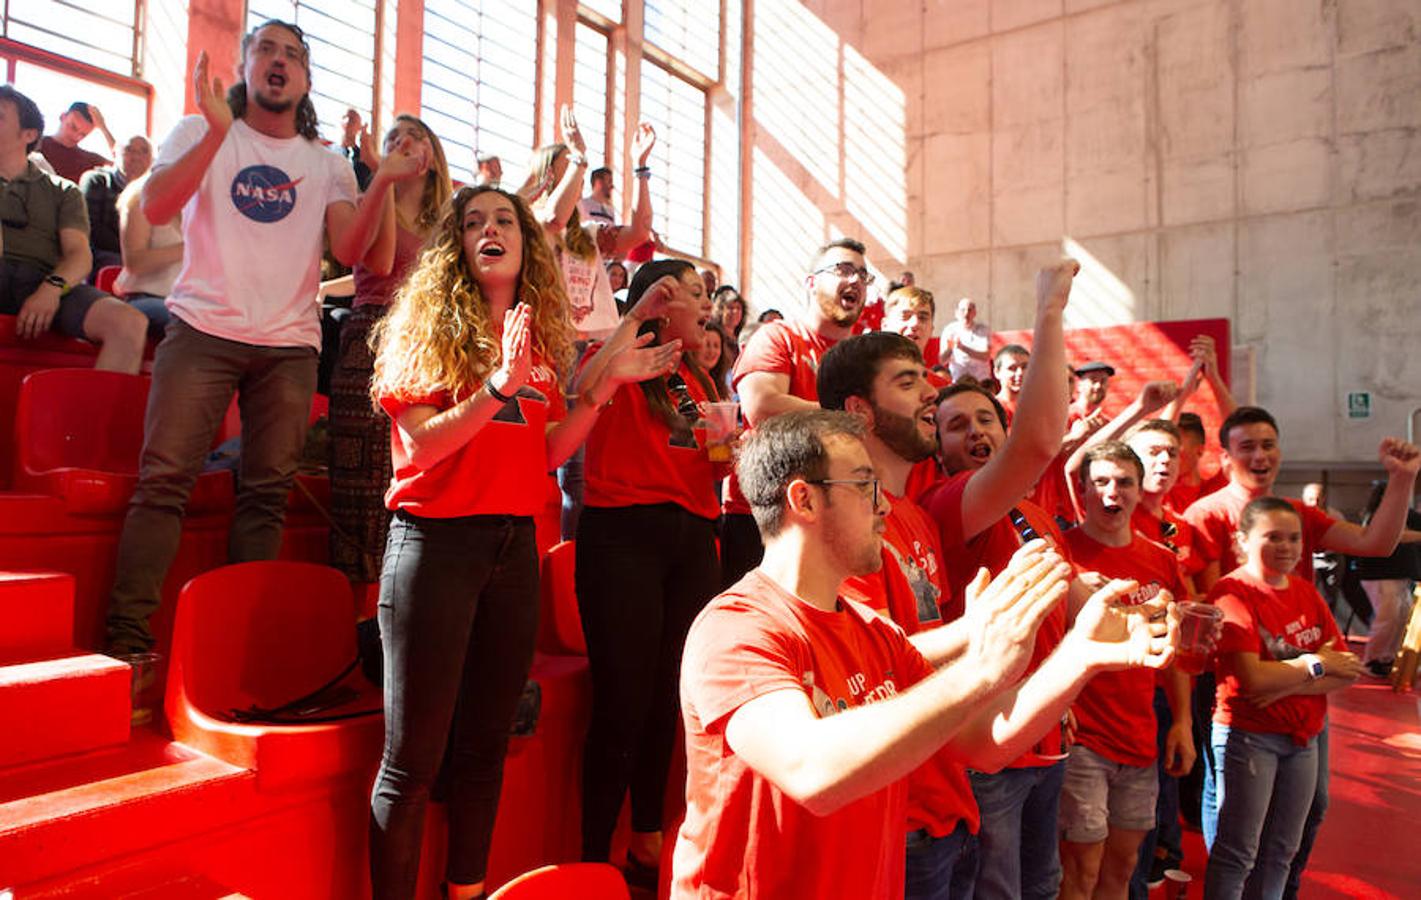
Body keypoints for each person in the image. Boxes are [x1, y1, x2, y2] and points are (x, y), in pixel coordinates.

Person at [671, 409, 1180, 898]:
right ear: (803, 500)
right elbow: (811, 769)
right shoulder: (737, 628)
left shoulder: (873, 631)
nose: (885, 506)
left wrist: (1080, 655)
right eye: (865, 486)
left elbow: (983, 742)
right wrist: (980, 665)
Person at [366, 183, 681, 899]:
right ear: (455, 245)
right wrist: (496, 388)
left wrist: (601, 393)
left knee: (484, 748)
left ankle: (466, 891)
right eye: (472, 221)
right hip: (433, 547)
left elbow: (540, 454)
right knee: (411, 765)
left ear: (524, 242)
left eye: (503, 219)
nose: (489, 229)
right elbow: (422, 445)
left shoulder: (536, 342)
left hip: (511, 551)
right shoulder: (423, 327)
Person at [102, 20, 396, 654]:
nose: (279, 61)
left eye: (293, 54)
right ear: (245, 66)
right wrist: (215, 133)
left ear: (307, 79)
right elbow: (154, 207)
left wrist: (382, 181)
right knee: (164, 483)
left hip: (289, 346)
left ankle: (236, 644)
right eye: (266, 48)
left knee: (264, 496)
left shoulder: (324, 164)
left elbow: (350, 249)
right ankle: (127, 639)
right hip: (201, 328)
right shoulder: (202, 129)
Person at [1182, 406, 1420, 890]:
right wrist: (1272, 674)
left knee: (1308, 813)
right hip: (1238, 690)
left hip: (1299, 693)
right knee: (1232, 823)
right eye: (1246, 446)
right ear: (1226, 457)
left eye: (1268, 444)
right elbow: (1205, 611)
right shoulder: (1206, 516)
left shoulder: (1296, 516)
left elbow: (1375, 542)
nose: (1260, 455)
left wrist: (1401, 481)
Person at [918, 259, 1079, 900]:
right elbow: (1040, 441)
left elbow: (1068, 592)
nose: (976, 431)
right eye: (956, 426)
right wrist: (1048, 312)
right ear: (939, 450)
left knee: (1043, 884)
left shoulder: (1034, 511)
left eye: (986, 419)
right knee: (999, 891)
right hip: (991, 740)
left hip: (1047, 736)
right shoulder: (949, 504)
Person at [576, 259, 724, 884]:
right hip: (623, 534)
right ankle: (589, 857)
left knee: (668, 695)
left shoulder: (700, 377)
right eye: (694, 294)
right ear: (662, 301)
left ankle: (644, 840)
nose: (706, 307)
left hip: (693, 538)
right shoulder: (627, 351)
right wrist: (634, 318)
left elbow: (712, 464)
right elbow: (581, 387)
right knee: (623, 701)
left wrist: (730, 452)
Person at [1203, 497, 1363, 900]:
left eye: (1294, 538)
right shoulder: (1232, 592)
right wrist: (1314, 664)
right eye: (1272, 537)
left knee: (1282, 851)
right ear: (1242, 541)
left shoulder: (1306, 593)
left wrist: (1291, 680)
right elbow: (1252, 678)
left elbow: (1346, 668)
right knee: (1239, 851)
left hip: (1303, 738)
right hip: (1249, 737)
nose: (1287, 547)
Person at [1059, 442, 1193, 900]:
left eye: (1123, 482)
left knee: (1122, 867)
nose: (1111, 492)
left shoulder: (1161, 560)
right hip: (1083, 741)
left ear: (1139, 491)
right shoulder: (1063, 556)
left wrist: (1182, 723)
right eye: (1099, 482)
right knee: (1080, 870)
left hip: (1140, 739)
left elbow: (1174, 654)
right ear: (1082, 491)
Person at [327, 114, 450, 585]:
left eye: (414, 136)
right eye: (393, 138)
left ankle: (410, 591)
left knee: (417, 475)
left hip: (427, 347)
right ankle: (359, 613)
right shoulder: (373, 199)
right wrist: (384, 181)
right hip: (373, 340)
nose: (402, 143)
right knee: (365, 486)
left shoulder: (446, 224)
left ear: (432, 156)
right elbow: (377, 262)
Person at [718, 237, 871, 588]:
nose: (856, 281)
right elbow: (762, 406)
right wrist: (849, 416)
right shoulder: (779, 337)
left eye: (863, 275)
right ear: (811, 281)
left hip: (837, 513)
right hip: (763, 513)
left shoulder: (864, 357)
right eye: (843, 270)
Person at [0, 85, 148, 373]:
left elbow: (80, 254)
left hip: (43, 278)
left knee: (129, 324)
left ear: (28, 135)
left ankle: (90, 419)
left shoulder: (63, 191)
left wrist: (51, 290)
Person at [113, 171, 180, 337]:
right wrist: (191, 247)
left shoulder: (212, 196)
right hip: (147, 298)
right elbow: (135, 263)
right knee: (192, 327)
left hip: (196, 303)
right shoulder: (141, 195)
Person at [79, 135, 152, 276]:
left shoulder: (155, 190)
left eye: (144, 151)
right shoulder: (97, 180)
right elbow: (91, 226)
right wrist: (132, 252)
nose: (137, 156)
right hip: (103, 253)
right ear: (115, 154)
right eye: (129, 150)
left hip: (144, 255)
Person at [881, 285, 945, 386]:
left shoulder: (941, 389)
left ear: (931, 329)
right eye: (905, 316)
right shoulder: (863, 381)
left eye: (923, 318)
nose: (915, 323)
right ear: (884, 325)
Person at [39, 101, 115, 183]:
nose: (76, 137)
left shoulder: (89, 159)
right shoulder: (35, 143)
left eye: (83, 134)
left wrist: (103, 128)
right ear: (62, 117)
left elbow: (124, 169)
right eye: (73, 128)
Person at [939, 297, 991, 383]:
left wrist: (963, 348)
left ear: (974, 313)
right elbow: (942, 360)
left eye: (969, 310)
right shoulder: (949, 330)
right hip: (959, 379)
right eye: (963, 310)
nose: (966, 313)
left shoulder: (983, 330)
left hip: (981, 379)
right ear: (956, 313)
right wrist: (951, 347)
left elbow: (985, 356)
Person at [337, 107, 374, 190]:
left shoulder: (364, 158)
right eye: (344, 117)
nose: (347, 122)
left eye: (352, 120)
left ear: (359, 128)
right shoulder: (329, 151)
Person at [992, 343, 1030, 425]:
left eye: (1025, 367)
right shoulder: (991, 408)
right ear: (997, 372)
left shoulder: (1040, 407)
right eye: (1012, 368)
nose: (1020, 373)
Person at [697, 319, 733, 394]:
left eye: (716, 346)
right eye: (707, 345)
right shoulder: (688, 381)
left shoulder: (723, 384)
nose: (711, 351)